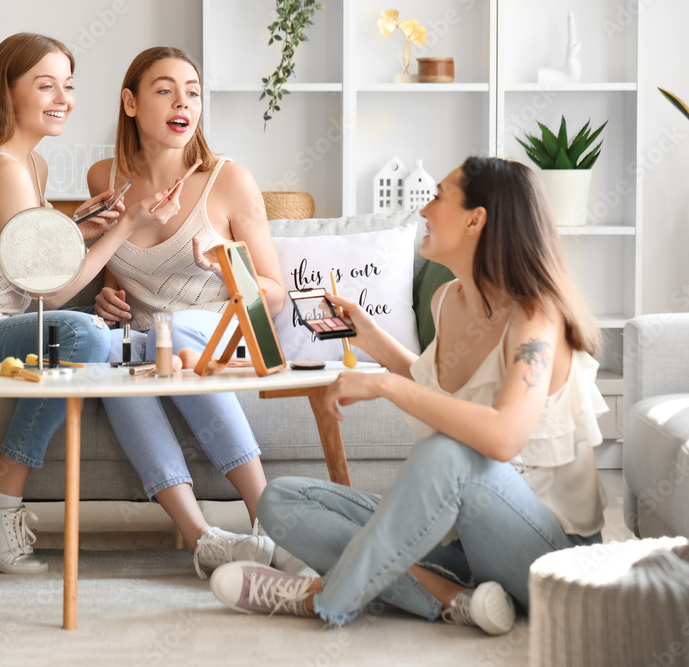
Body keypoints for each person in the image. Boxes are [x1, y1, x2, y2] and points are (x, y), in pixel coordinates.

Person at [209, 156, 609, 635]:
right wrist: (372, 339)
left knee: (447, 452)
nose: (423, 211)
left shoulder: (537, 315)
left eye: (438, 196)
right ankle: (452, 599)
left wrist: (382, 383)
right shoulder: (449, 301)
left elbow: (501, 438)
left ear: (475, 219)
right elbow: (436, 386)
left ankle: (323, 597)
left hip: (549, 557)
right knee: (280, 500)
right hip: (463, 545)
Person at [0, 33, 182, 576]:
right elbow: (48, 291)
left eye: (68, 85)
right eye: (45, 85)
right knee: (88, 336)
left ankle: (0, 498)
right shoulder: (2, 168)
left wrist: (79, 229)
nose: (62, 97)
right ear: (8, 92)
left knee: (96, 332)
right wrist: (122, 229)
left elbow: (24, 267)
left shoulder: (33, 167)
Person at [85, 46, 309, 579]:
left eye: (192, 91)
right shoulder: (103, 179)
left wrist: (221, 270)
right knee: (113, 354)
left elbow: (274, 294)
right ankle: (201, 538)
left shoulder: (229, 179)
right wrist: (107, 295)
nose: (183, 101)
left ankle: (268, 517)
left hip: (220, 330)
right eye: (165, 89)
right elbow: (111, 263)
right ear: (131, 102)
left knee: (177, 326)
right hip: (147, 348)